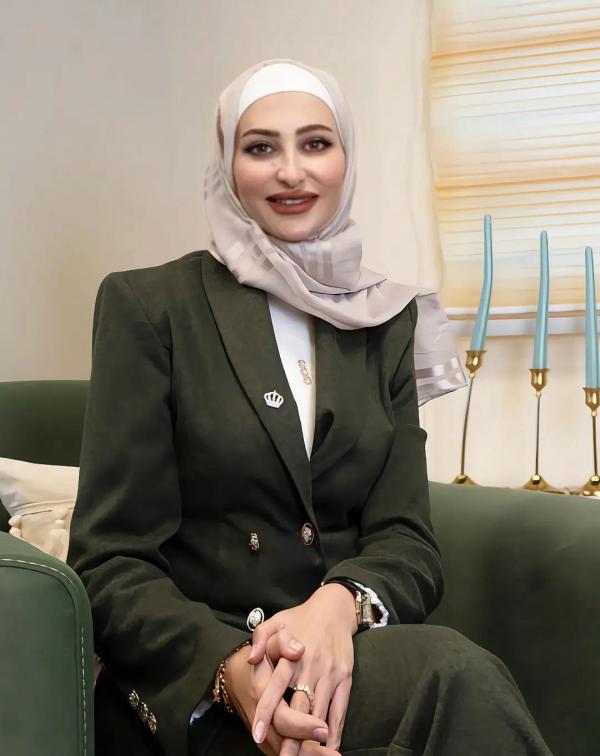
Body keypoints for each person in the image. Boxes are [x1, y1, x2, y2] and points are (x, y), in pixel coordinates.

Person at [67, 58, 553, 756]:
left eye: (316, 143)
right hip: (201, 678)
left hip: (340, 658)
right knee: (445, 681)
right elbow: (111, 562)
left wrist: (338, 604)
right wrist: (230, 671)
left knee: (456, 675)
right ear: (228, 166)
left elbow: (407, 541)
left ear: (345, 159)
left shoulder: (385, 320)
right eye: (260, 147)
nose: (291, 171)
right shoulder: (151, 308)